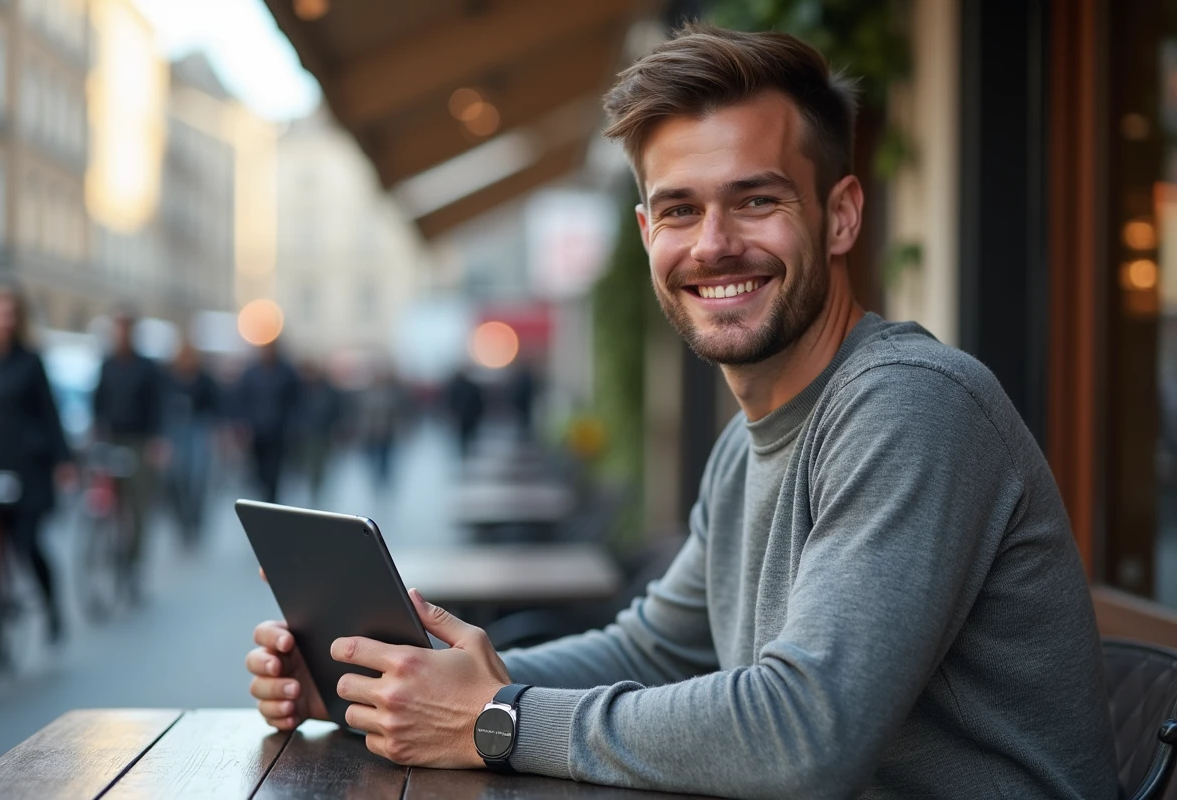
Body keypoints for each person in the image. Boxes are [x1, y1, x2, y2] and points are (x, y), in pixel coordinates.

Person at [245, 24, 1117, 799]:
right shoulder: (751, 443)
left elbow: (805, 735)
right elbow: (654, 650)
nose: (713, 244)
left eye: (757, 199)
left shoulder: (912, 406)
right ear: (646, 234)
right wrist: (397, 684)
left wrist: (495, 720)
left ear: (842, 216)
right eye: (680, 209)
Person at [0, 280, 72, 646]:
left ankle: (51, 603)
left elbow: (49, 414)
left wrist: (62, 460)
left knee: (27, 542)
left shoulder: (30, 361)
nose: (4, 320)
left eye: (10, 314)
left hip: (26, 469)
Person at [93, 310, 166, 603]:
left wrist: (157, 441)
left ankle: (134, 563)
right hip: (112, 439)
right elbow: (97, 401)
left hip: (140, 441)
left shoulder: (147, 367)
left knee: (138, 507)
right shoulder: (107, 364)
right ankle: (106, 547)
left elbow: (158, 405)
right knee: (106, 498)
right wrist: (96, 430)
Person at [163, 339, 219, 548]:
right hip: (175, 430)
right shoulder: (170, 378)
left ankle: (194, 523)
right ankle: (182, 521)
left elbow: (215, 406)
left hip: (197, 429)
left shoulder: (204, 379)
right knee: (175, 478)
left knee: (196, 479)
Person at [236, 341, 300, 505]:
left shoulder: (286, 372)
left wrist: (292, 424)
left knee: (274, 470)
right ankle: (264, 495)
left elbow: (295, 400)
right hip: (256, 431)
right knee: (258, 470)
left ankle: (271, 500)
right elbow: (242, 400)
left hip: (278, 431)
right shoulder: (251, 373)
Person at [294, 361, 341, 505]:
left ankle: (316, 488)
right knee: (308, 463)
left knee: (319, 464)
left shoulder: (329, 390)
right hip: (305, 434)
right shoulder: (301, 390)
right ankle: (312, 486)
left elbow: (337, 409)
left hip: (323, 434)